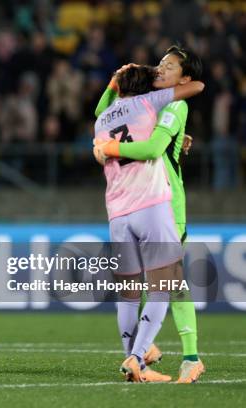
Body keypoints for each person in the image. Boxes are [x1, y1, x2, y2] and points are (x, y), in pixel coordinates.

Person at [93, 46, 205, 383]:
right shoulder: (148, 103)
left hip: (166, 204)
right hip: (144, 202)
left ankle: (189, 356)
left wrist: (110, 146)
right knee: (152, 285)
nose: (160, 69)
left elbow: (153, 146)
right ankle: (142, 353)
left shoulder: (173, 103)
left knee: (171, 282)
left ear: (183, 78)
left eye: (169, 67)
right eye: (159, 63)